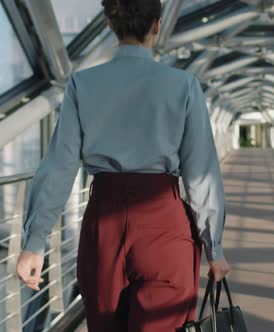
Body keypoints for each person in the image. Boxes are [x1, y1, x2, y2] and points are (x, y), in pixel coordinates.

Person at [15, 0, 230, 330]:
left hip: (104, 225)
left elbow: (58, 166)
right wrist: (214, 248)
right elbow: (201, 175)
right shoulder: (183, 86)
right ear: (157, 26)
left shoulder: (81, 85)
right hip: (164, 224)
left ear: (110, 25)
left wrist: (34, 243)